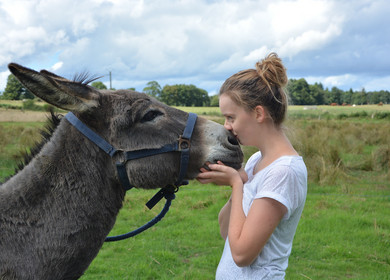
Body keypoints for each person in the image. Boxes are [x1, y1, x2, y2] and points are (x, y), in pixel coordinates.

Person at [196, 52, 307, 279]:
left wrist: (236, 184)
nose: (226, 127)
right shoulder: (257, 160)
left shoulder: (284, 172)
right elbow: (226, 231)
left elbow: (242, 255)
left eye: (231, 117)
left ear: (258, 113)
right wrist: (241, 182)